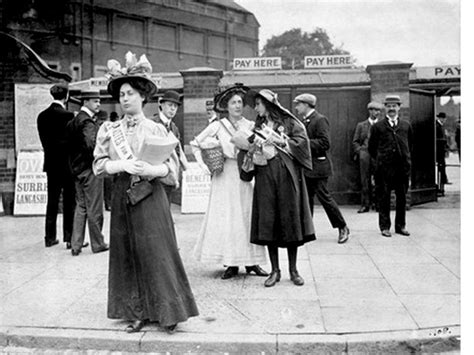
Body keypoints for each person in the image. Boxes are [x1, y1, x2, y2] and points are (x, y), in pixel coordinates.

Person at [93, 53, 198, 333]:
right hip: (122, 195)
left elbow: (173, 170)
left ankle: (169, 310)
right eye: (122, 94)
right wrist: (121, 164)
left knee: (158, 251)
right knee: (128, 254)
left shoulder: (156, 128)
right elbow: (98, 165)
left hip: (151, 196)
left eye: (130, 93)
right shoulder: (109, 130)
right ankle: (136, 311)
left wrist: (155, 171)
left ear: (142, 97)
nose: (125, 98)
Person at [191, 84, 268, 280]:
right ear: (226, 105)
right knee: (227, 218)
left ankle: (252, 262)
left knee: (247, 215)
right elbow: (196, 143)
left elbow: (260, 147)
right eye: (233, 102)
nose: (237, 106)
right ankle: (231, 263)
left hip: (243, 173)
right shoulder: (218, 125)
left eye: (240, 102)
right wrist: (206, 165)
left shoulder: (249, 125)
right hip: (224, 175)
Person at [245, 89, 315, 287]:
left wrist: (281, 140)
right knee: (269, 221)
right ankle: (275, 270)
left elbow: (302, 144)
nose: (256, 108)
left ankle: (293, 270)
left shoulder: (290, 123)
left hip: (286, 175)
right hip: (265, 176)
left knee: (290, 220)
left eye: (258, 104)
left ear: (268, 104)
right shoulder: (258, 125)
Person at [293, 93, 350, 244]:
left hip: (319, 167)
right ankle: (307, 231)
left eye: (298, 104)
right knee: (307, 199)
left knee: (325, 198)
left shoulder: (319, 120)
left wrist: (302, 144)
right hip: (308, 167)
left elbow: (325, 143)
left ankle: (342, 227)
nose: (296, 107)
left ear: (306, 105)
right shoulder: (305, 121)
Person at [67, 89, 109, 256]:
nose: (98, 103)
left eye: (98, 101)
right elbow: (91, 146)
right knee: (95, 208)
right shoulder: (87, 122)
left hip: (76, 169)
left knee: (81, 206)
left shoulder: (75, 120)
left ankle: (75, 244)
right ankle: (98, 244)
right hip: (90, 170)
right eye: (94, 101)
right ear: (85, 102)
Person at [37, 83, 76, 248]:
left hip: (51, 164)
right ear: (66, 96)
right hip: (67, 165)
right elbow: (72, 141)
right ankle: (69, 238)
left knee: (52, 201)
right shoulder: (68, 116)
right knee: (69, 201)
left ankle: (49, 237)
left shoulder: (41, 116)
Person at [368, 95, 413, 238]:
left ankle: (401, 226)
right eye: (388, 106)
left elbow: (410, 145)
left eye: (394, 106)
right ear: (385, 108)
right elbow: (372, 148)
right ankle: (385, 227)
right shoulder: (377, 127)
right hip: (384, 169)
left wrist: (405, 160)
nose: (391, 109)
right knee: (384, 197)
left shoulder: (406, 126)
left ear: (399, 107)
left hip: (401, 169)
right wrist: (382, 160)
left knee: (402, 198)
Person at [152, 90, 188, 205]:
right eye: (169, 105)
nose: (173, 109)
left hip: (170, 174)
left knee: (166, 207)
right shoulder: (152, 124)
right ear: (161, 105)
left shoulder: (174, 128)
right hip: (154, 175)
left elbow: (177, 152)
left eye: (175, 106)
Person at [352, 101, 382, 213]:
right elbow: (355, 141)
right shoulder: (361, 125)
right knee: (365, 180)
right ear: (370, 111)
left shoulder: (381, 125)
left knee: (379, 179)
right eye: (374, 110)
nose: (377, 113)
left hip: (378, 155)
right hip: (365, 155)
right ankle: (365, 204)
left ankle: (378, 204)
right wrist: (360, 151)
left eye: (378, 110)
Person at [435, 112, 449, 196]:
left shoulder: (440, 126)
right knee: (441, 169)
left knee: (441, 169)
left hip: (440, 151)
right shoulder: (437, 126)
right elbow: (439, 139)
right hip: (439, 152)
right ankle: (440, 188)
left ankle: (441, 186)